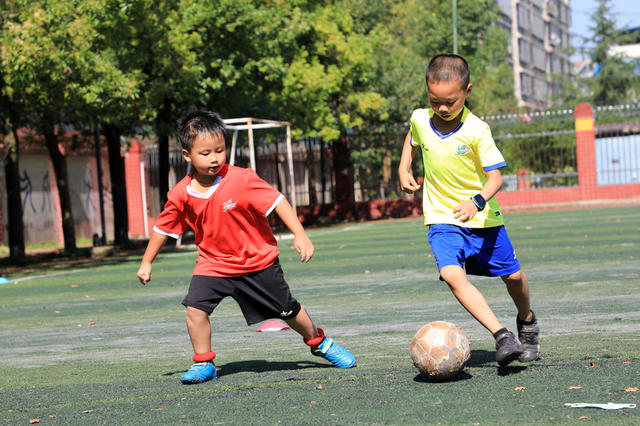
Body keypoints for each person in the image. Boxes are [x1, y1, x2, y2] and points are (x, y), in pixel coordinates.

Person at [137, 110, 356, 384]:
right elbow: (163, 228)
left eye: (220, 150)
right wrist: (147, 262)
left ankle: (319, 342)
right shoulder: (180, 193)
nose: (215, 158)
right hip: (213, 265)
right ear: (186, 155)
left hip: (257, 263)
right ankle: (204, 363)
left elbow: (278, 201)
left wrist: (300, 234)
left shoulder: (242, 179)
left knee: (288, 310)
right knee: (195, 309)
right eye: (205, 153)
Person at [398, 54, 540, 366]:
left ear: (468, 91)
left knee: (513, 278)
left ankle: (526, 320)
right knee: (451, 275)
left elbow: (496, 178)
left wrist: (475, 202)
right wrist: (403, 165)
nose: (442, 108)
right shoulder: (421, 118)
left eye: (450, 101)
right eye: (435, 101)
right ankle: (502, 335)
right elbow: (413, 134)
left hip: (484, 219)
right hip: (442, 217)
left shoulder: (478, 130)